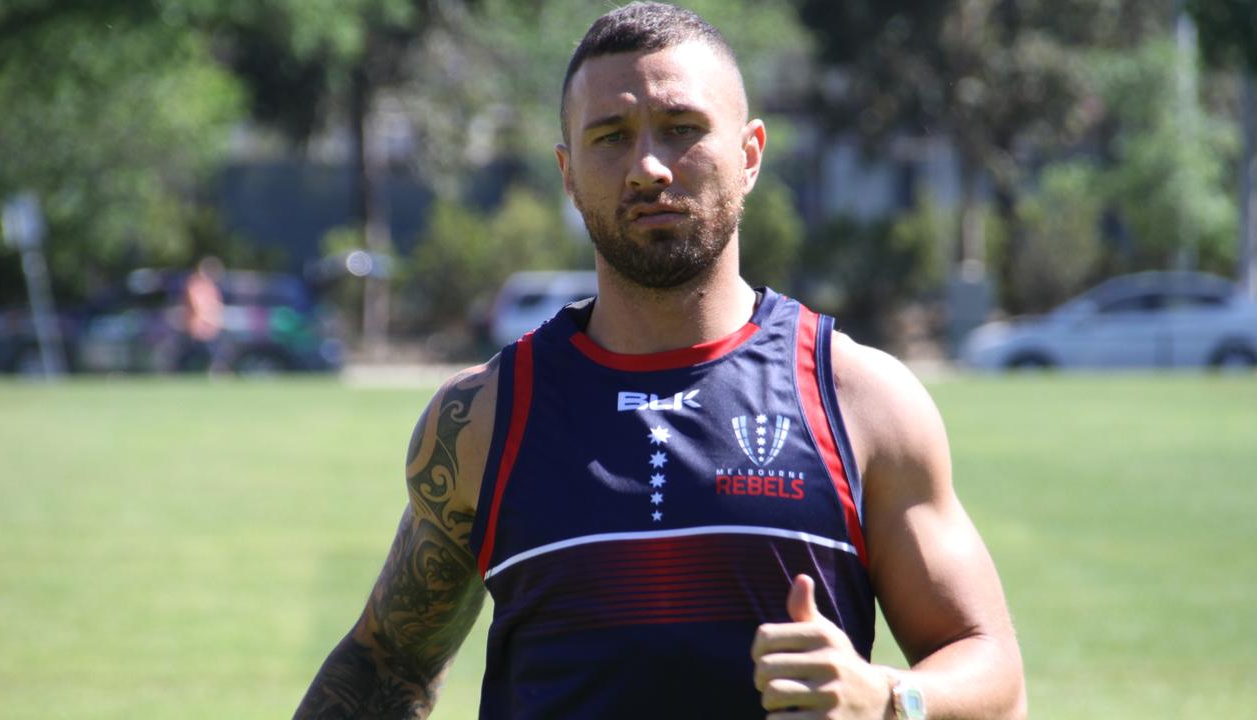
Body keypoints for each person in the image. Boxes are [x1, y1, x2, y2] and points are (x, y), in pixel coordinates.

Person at [294, 3, 1025, 718]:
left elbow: (994, 673)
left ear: (750, 155)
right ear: (568, 174)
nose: (647, 166)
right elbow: (385, 664)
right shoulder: (485, 417)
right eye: (609, 137)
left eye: (682, 129)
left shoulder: (861, 399)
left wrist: (891, 697)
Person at [180, 256, 227, 373]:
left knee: (214, 353)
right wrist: (208, 319)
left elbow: (215, 306)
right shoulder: (195, 285)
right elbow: (197, 306)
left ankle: (215, 371)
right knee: (193, 355)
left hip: (210, 327)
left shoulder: (210, 287)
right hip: (198, 327)